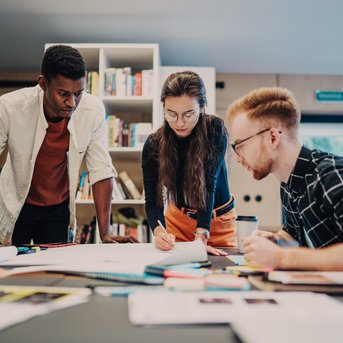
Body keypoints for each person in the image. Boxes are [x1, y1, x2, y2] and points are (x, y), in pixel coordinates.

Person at [0, 45, 137, 246]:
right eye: (63, 93)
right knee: (8, 269)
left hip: (57, 209)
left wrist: (105, 233)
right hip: (16, 204)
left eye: (79, 93)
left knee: (52, 271)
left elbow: (101, 171)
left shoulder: (92, 110)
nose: (72, 102)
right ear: (43, 83)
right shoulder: (10, 107)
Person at [227, 87, 343, 270]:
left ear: (273, 137)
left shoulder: (330, 175)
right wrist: (275, 241)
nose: (237, 157)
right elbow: (293, 236)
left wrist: (281, 257)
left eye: (240, 145)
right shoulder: (288, 184)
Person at [142, 71, 237, 256]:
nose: (179, 123)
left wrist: (201, 235)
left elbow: (208, 185)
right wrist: (159, 230)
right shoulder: (153, 143)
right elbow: (152, 201)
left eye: (188, 114)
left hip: (218, 223)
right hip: (177, 220)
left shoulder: (214, 130)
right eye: (171, 114)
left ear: (201, 108)